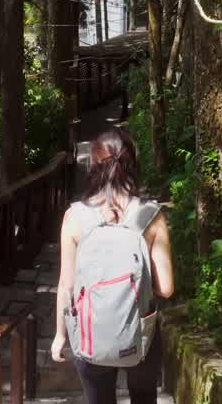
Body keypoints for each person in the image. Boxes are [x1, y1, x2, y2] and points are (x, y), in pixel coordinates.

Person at [51, 128, 174, 404]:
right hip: (141, 334)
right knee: (143, 396)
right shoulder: (151, 215)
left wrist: (60, 335)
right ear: (132, 165)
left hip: (89, 334)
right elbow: (166, 289)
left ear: (93, 165)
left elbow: (66, 285)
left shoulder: (74, 217)